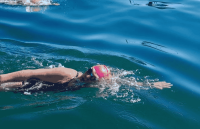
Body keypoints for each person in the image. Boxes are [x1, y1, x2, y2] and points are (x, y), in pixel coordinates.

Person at [0, 65, 172, 92]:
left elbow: (122, 82)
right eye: (90, 71)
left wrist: (148, 84)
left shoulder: (87, 83)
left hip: (45, 91)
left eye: (94, 78)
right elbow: (30, 72)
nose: (89, 76)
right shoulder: (67, 73)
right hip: (26, 83)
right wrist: (4, 78)